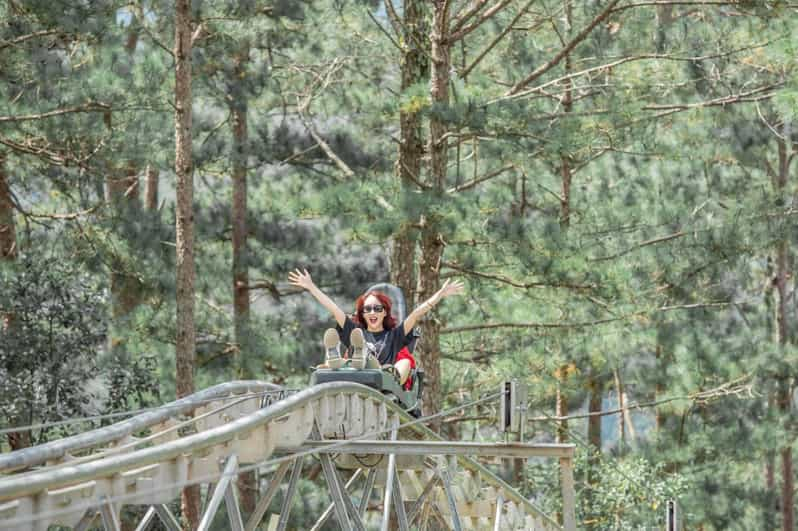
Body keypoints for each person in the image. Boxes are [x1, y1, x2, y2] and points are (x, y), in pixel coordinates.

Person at [287, 269, 464, 386]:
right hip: (356, 374)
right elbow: (333, 308)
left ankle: (358, 357)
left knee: (404, 362)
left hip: (382, 376)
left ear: (385, 312)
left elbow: (417, 313)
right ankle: (337, 358)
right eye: (367, 309)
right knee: (354, 347)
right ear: (362, 313)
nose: (372, 312)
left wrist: (439, 295)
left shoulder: (394, 335)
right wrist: (311, 287)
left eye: (377, 308)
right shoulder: (356, 331)